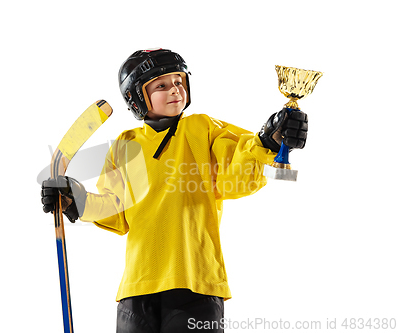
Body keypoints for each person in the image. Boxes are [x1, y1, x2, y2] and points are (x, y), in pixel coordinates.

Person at [41, 49, 308, 333]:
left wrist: (267, 140)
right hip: (137, 288)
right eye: (161, 85)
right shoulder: (125, 145)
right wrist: (74, 199)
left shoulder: (202, 129)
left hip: (194, 283)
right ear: (136, 97)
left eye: (179, 81)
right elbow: (115, 211)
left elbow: (237, 174)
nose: (175, 90)